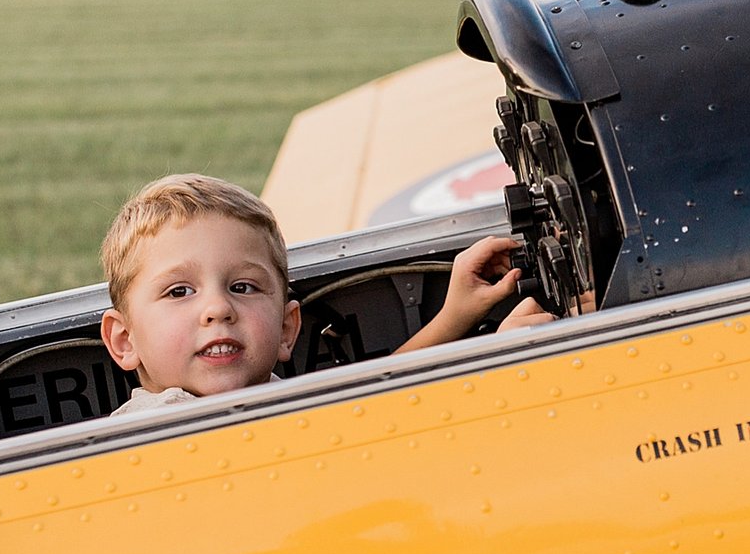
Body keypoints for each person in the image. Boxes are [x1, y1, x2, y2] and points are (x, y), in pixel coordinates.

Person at [97, 174, 533, 413]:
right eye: (178, 292)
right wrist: (495, 359)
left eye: (242, 287)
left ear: (287, 329)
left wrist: (454, 316)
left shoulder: (257, 400)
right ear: (124, 340)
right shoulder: (153, 434)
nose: (217, 309)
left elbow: (360, 398)